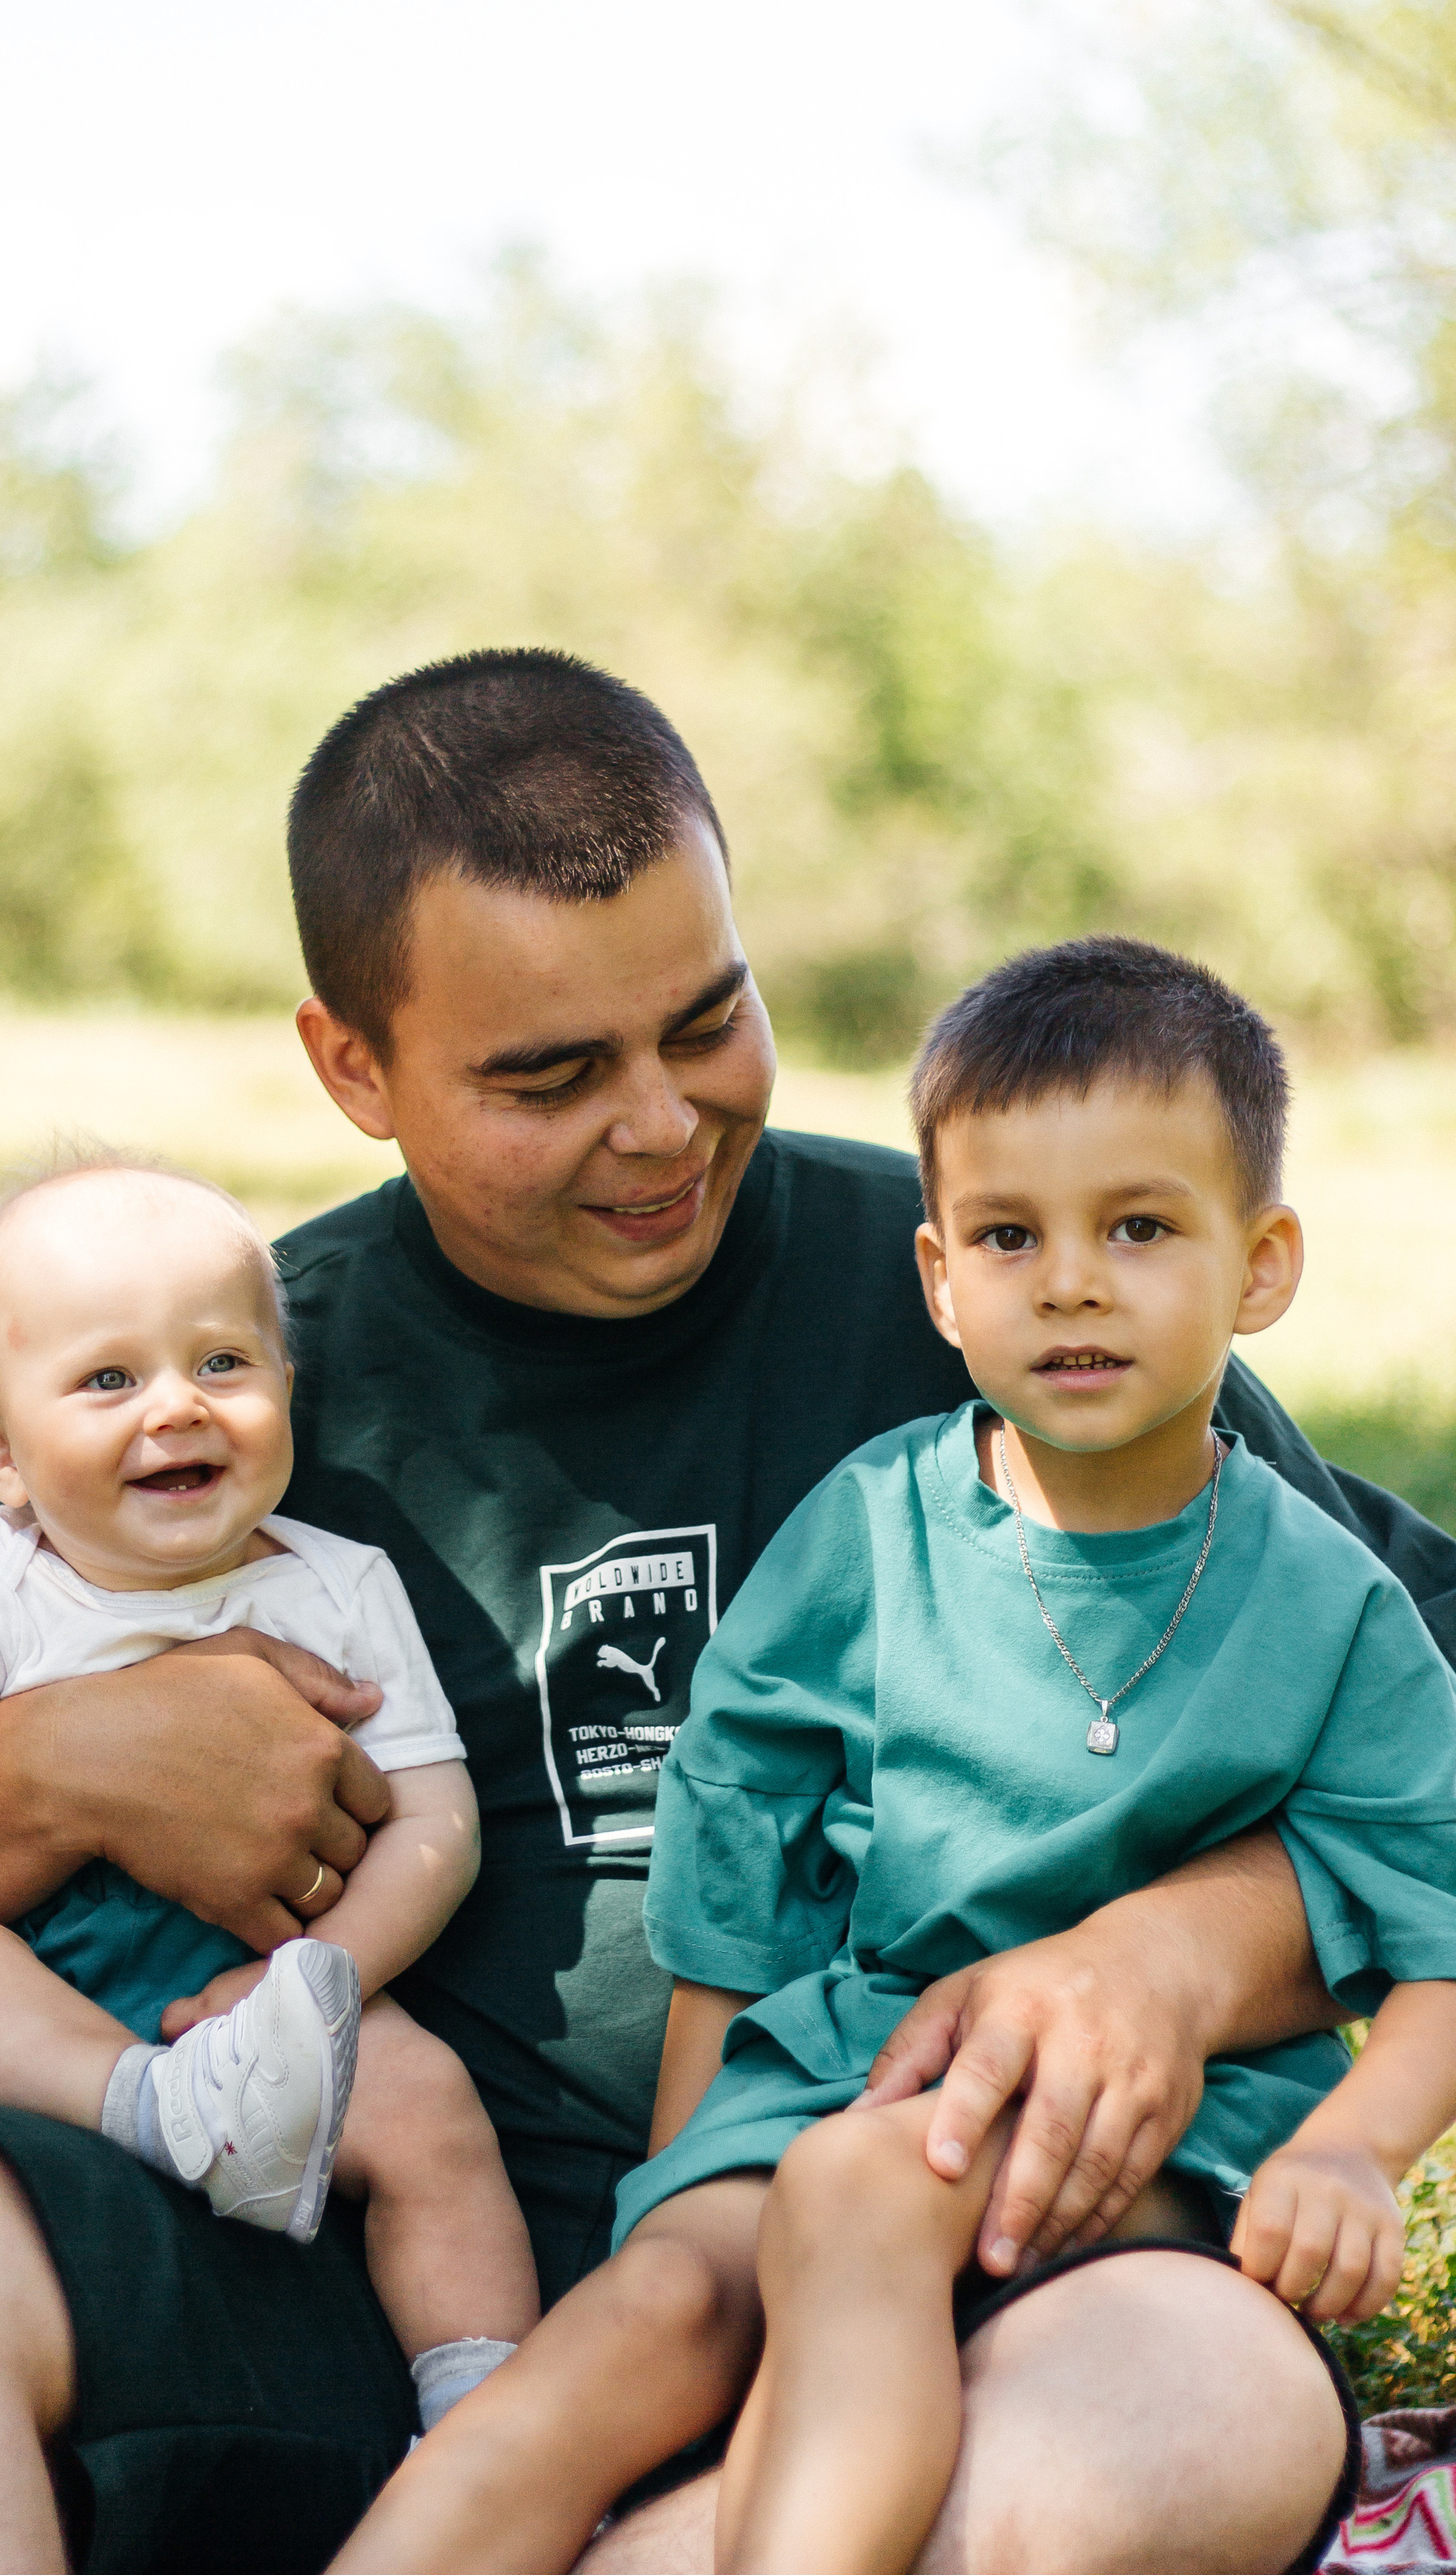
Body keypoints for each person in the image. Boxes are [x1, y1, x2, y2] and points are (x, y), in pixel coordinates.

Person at [0, 651, 1453, 2575]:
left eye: (707, 1024)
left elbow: (1411, 1739)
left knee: (1186, 2405)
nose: (658, 1126)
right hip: (338, 2260)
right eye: (551, 1076)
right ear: (353, 1066)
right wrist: (43, 1775)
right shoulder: (229, 1377)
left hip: (945, 2270)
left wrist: (1177, 1957)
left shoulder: (1009, 1285)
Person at [332, 936, 1456, 2575]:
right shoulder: (873, 1529)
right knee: (630, 2321)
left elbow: (1434, 1912)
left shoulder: (1326, 1603)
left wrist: (1355, 2147)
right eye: (1010, 1236)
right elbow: (731, 1859)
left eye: (1136, 1228)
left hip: (1144, 2138)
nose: (1067, 1282)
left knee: (866, 2191)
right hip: (830, 2074)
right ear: (939, 1282)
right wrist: (688, 2172)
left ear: (1262, 1263)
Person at [0, 1155, 538, 2435]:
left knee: (435, 2119)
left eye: (224, 1364)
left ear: (289, 1386)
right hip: (45, 2002)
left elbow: (437, 1825)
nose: (177, 1408)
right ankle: (153, 2110)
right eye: (109, 1380)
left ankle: (486, 2422)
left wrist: (317, 1983)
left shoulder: (340, 1587)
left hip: (262, 1992)